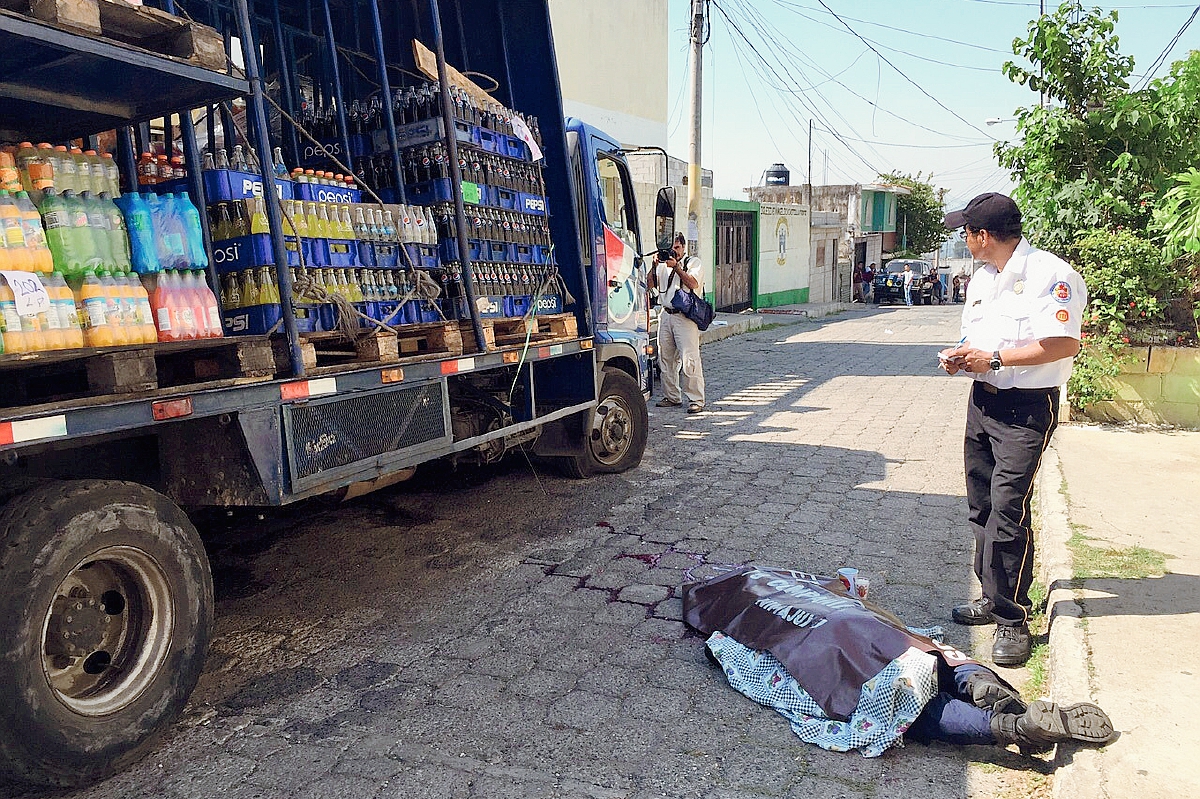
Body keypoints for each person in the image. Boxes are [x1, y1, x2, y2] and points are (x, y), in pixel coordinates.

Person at [686, 566, 1114, 758]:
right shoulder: (794, 583)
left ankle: (1012, 728)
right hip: (877, 632)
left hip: (839, 650)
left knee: (902, 705)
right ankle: (990, 690)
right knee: (934, 658)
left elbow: (735, 651)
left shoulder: (743, 605)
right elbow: (844, 589)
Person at [938, 193, 1088, 666]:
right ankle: (989, 593)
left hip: (1026, 406)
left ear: (982, 236)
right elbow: (975, 337)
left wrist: (997, 359)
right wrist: (962, 356)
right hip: (983, 400)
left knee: (1008, 509)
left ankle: (1011, 617)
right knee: (981, 504)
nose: (964, 239)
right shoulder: (984, 279)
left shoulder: (1051, 276)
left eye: (966, 232)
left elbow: (1064, 344)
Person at [649, 232, 705, 414]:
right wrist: (654, 266)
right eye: (671, 249)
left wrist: (678, 268)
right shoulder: (663, 265)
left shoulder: (693, 263)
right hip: (665, 314)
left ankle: (696, 399)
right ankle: (672, 396)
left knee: (689, 359)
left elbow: (693, 283)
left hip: (685, 317)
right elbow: (650, 285)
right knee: (665, 359)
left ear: (683, 247)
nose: (674, 252)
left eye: (677, 248)